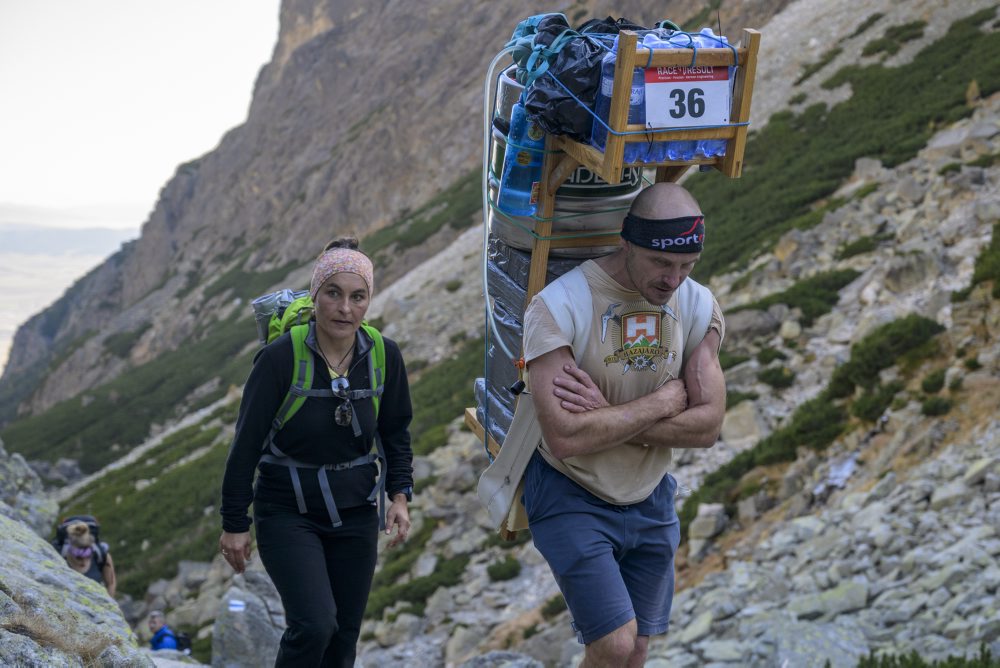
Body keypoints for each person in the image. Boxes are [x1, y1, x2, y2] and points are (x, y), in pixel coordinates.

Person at [521, 182, 726, 667]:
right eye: (661, 262)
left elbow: (707, 427)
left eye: (686, 267)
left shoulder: (698, 306)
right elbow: (566, 436)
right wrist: (663, 402)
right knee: (612, 643)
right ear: (627, 241)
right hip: (570, 489)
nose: (673, 280)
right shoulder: (558, 308)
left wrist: (607, 417)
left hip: (650, 493)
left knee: (635, 649)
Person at [219, 237, 414, 667]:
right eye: (334, 293)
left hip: (356, 510)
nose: (345, 308)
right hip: (287, 510)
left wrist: (399, 496)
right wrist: (235, 523)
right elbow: (246, 446)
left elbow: (396, 431)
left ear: (368, 301)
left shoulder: (383, 355)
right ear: (315, 296)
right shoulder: (279, 358)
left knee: (343, 638)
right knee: (314, 625)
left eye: (357, 296)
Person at [56, 516, 117, 598]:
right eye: (78, 557)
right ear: (70, 550)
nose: (84, 561)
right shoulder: (58, 556)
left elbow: (110, 584)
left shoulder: (102, 555)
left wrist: (108, 606)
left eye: (88, 556)